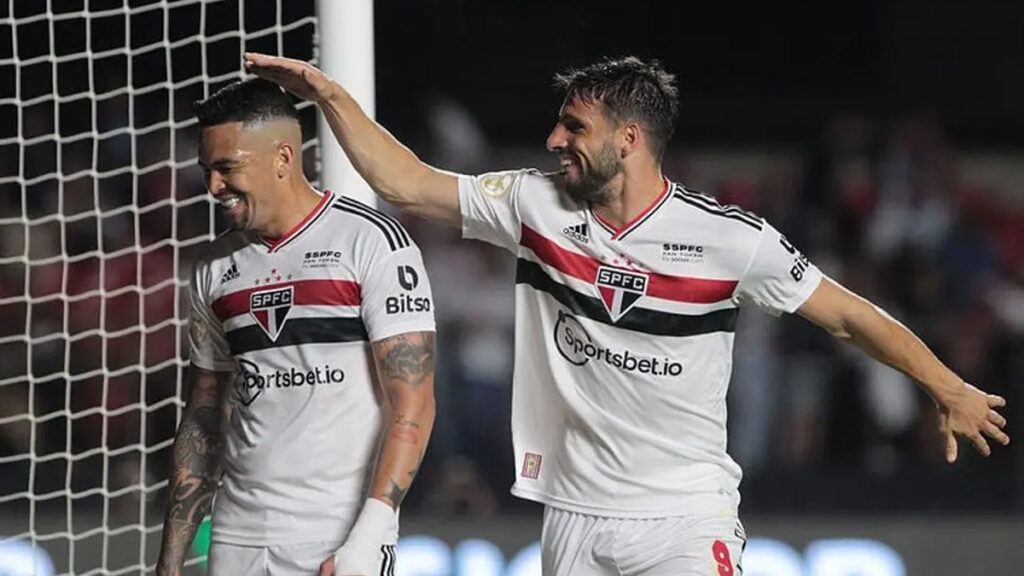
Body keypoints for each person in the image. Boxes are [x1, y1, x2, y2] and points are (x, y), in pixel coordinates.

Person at [244, 53, 1011, 575]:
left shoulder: (729, 239)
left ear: (630, 139)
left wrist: (948, 388)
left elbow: (850, 317)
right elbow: (409, 184)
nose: (553, 139)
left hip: (684, 515)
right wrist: (329, 94)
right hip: (571, 516)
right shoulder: (534, 203)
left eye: (573, 127)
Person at [155, 78, 437, 576]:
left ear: (284, 158)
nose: (214, 187)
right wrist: (171, 560)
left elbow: (412, 401)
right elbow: (203, 415)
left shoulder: (370, 242)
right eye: (207, 171)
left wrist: (370, 534)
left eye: (227, 168)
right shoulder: (213, 267)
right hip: (236, 535)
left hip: (337, 532)